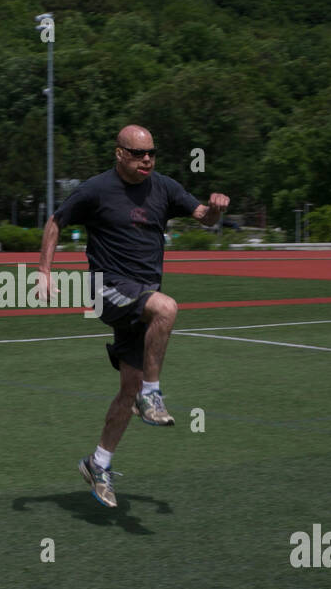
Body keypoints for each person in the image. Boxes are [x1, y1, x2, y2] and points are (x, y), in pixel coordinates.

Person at [38, 124, 230, 507]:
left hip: (139, 297)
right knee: (167, 307)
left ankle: (98, 462)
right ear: (119, 153)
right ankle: (153, 395)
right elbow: (56, 221)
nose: (147, 160)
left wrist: (215, 210)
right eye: (139, 153)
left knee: (127, 388)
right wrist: (44, 271)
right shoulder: (95, 189)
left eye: (152, 153)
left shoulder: (165, 187)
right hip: (107, 288)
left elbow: (202, 216)